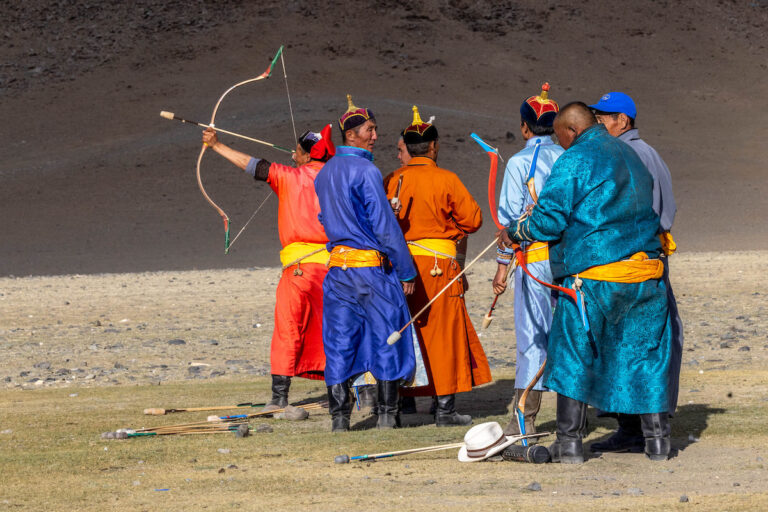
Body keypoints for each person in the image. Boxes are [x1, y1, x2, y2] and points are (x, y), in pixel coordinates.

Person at [499, 102, 674, 463]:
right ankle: (658, 444)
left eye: (560, 137)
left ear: (572, 131)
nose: (559, 144)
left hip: (594, 280)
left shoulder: (575, 158)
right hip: (646, 275)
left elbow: (548, 220)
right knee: (644, 354)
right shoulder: (630, 153)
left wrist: (515, 231)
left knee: (572, 355)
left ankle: (569, 445)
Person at [201, 124, 335, 411]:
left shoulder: (290, 176)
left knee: (288, 327)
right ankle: (338, 394)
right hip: (334, 270)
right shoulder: (340, 179)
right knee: (333, 328)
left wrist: (216, 145)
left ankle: (279, 398)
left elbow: (255, 166)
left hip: (298, 271)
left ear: (306, 155)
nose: (293, 156)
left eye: (297, 152)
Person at [314, 95, 419, 432]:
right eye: (370, 130)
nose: (375, 135)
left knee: (340, 340)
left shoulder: (324, 173)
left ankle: (339, 420)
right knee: (387, 334)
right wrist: (406, 270)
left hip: (338, 271)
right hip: (371, 270)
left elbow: (326, 218)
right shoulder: (367, 170)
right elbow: (384, 227)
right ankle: (387, 416)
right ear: (351, 134)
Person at [383, 106, 491, 427]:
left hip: (399, 267)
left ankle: (401, 404)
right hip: (437, 267)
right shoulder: (447, 179)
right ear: (433, 147)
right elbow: (473, 220)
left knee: (406, 330)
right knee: (444, 335)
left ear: (407, 147)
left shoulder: (392, 180)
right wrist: (449, 229)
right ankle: (444, 410)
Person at [588, 91, 683, 454]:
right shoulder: (641, 153)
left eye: (603, 118)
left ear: (623, 121)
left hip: (636, 261)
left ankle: (641, 430)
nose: (598, 124)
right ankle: (638, 429)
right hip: (640, 258)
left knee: (636, 343)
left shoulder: (631, 155)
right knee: (634, 343)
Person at [493, 83, 563, 437]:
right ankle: (572, 423)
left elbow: (509, 222)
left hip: (535, 260)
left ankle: (524, 421)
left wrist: (501, 267)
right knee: (569, 334)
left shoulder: (521, 162)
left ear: (524, 128)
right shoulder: (568, 158)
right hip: (569, 261)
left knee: (533, 337)